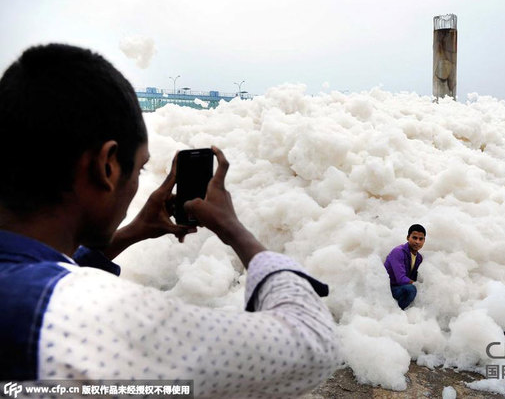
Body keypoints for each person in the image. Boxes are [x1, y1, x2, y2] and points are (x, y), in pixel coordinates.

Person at [0, 44, 339, 397]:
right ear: (107, 166)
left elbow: (41, 274)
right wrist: (233, 228)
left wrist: (129, 233)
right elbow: (312, 342)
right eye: (141, 167)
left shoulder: (22, 288)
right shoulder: (82, 316)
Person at [383, 224, 426, 310]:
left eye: (421, 239)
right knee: (411, 290)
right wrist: (417, 285)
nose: (417, 242)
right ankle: (397, 311)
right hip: (389, 288)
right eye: (414, 238)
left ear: (424, 241)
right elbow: (401, 279)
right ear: (407, 237)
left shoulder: (419, 258)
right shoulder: (398, 252)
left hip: (402, 287)